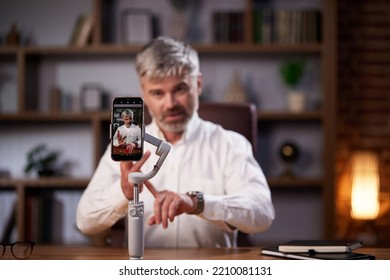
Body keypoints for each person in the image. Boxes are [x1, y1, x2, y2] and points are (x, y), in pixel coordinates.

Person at [76, 36, 275, 248]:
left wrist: (196, 203)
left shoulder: (230, 144)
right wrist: (122, 192)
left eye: (180, 89)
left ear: (197, 85)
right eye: (157, 93)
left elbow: (262, 213)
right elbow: (85, 221)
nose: (169, 104)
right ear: (144, 93)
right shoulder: (127, 144)